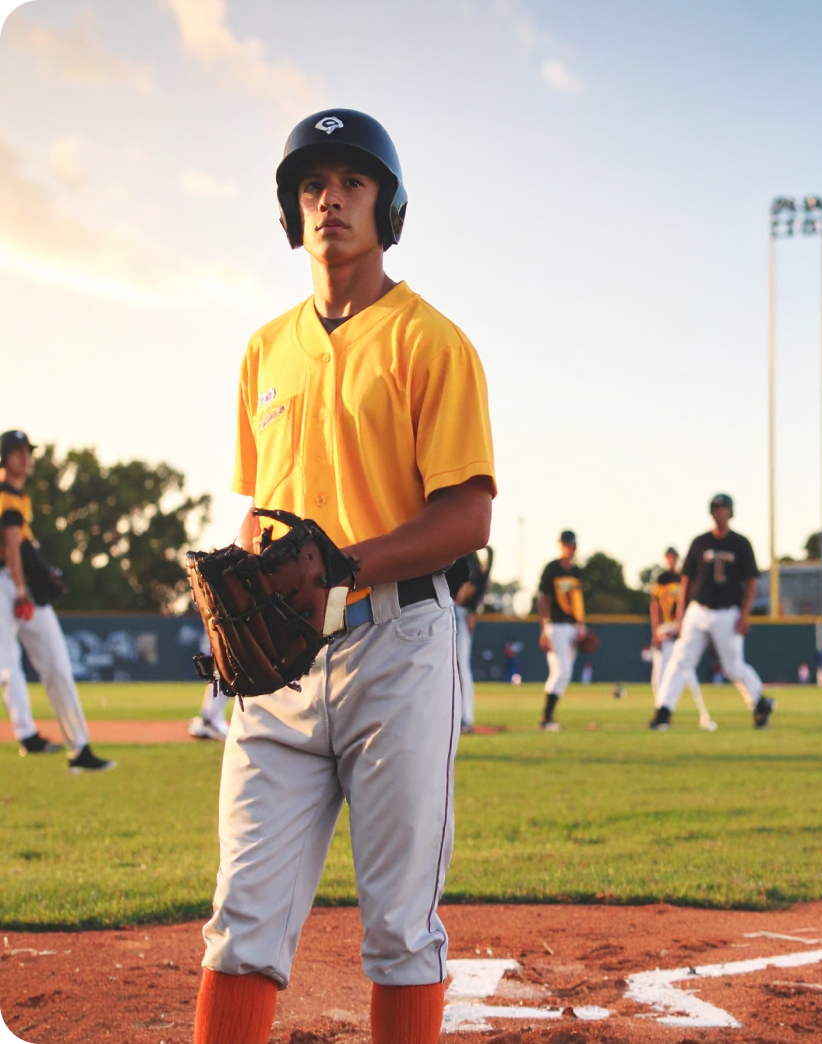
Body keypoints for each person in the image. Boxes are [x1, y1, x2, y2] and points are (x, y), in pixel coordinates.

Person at [191, 109, 494, 1044]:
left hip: (397, 648)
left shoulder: (430, 341)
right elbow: (262, 507)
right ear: (293, 211)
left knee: (401, 929)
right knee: (240, 922)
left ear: (387, 205)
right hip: (280, 668)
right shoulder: (264, 350)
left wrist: (348, 567)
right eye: (312, 184)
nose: (329, 198)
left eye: (351, 182)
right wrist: (242, 588)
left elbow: (468, 517)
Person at [0, 430, 114, 772]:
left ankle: (79, 748)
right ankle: (28, 735)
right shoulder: (6, 496)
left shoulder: (20, 495)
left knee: (58, 666)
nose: (25, 458)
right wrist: (21, 591)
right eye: (18, 452)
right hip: (9, 584)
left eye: (27, 452)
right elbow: (11, 546)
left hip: (20, 586)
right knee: (7, 664)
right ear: (5, 457)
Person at [650, 494, 773, 730]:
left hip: (727, 612)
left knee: (733, 666)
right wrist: (680, 616)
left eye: (723, 508)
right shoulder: (700, 542)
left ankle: (759, 703)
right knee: (679, 660)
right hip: (698, 610)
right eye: (716, 509)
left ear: (730, 512)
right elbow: (686, 580)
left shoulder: (740, 543)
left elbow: (751, 582)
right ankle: (662, 711)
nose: (720, 513)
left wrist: (745, 615)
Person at [650, 546, 715, 730]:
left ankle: (703, 714)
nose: (671, 560)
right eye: (669, 557)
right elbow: (655, 606)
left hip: (680, 631)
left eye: (674, 557)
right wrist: (656, 631)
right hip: (664, 630)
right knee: (660, 675)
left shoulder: (684, 579)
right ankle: (661, 711)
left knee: (688, 674)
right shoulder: (662, 579)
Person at [537, 530, 585, 731]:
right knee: (561, 671)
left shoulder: (577, 572)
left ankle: (547, 716)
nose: (567, 548)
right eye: (564, 544)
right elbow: (543, 599)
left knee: (565, 673)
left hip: (571, 626)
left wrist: (581, 625)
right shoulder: (552, 569)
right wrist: (544, 628)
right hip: (555, 625)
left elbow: (578, 602)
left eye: (569, 544)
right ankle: (546, 717)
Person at [453, 547, 492, 733]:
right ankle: (456, 717)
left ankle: (465, 717)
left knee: (461, 667)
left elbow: (476, 583)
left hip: (459, 612)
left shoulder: (469, 553)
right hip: (444, 609)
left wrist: (472, 608)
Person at [189, 631, 230, 741]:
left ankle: (208, 720)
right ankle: (209, 721)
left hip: (215, 636)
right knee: (222, 678)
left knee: (219, 679)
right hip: (217, 636)